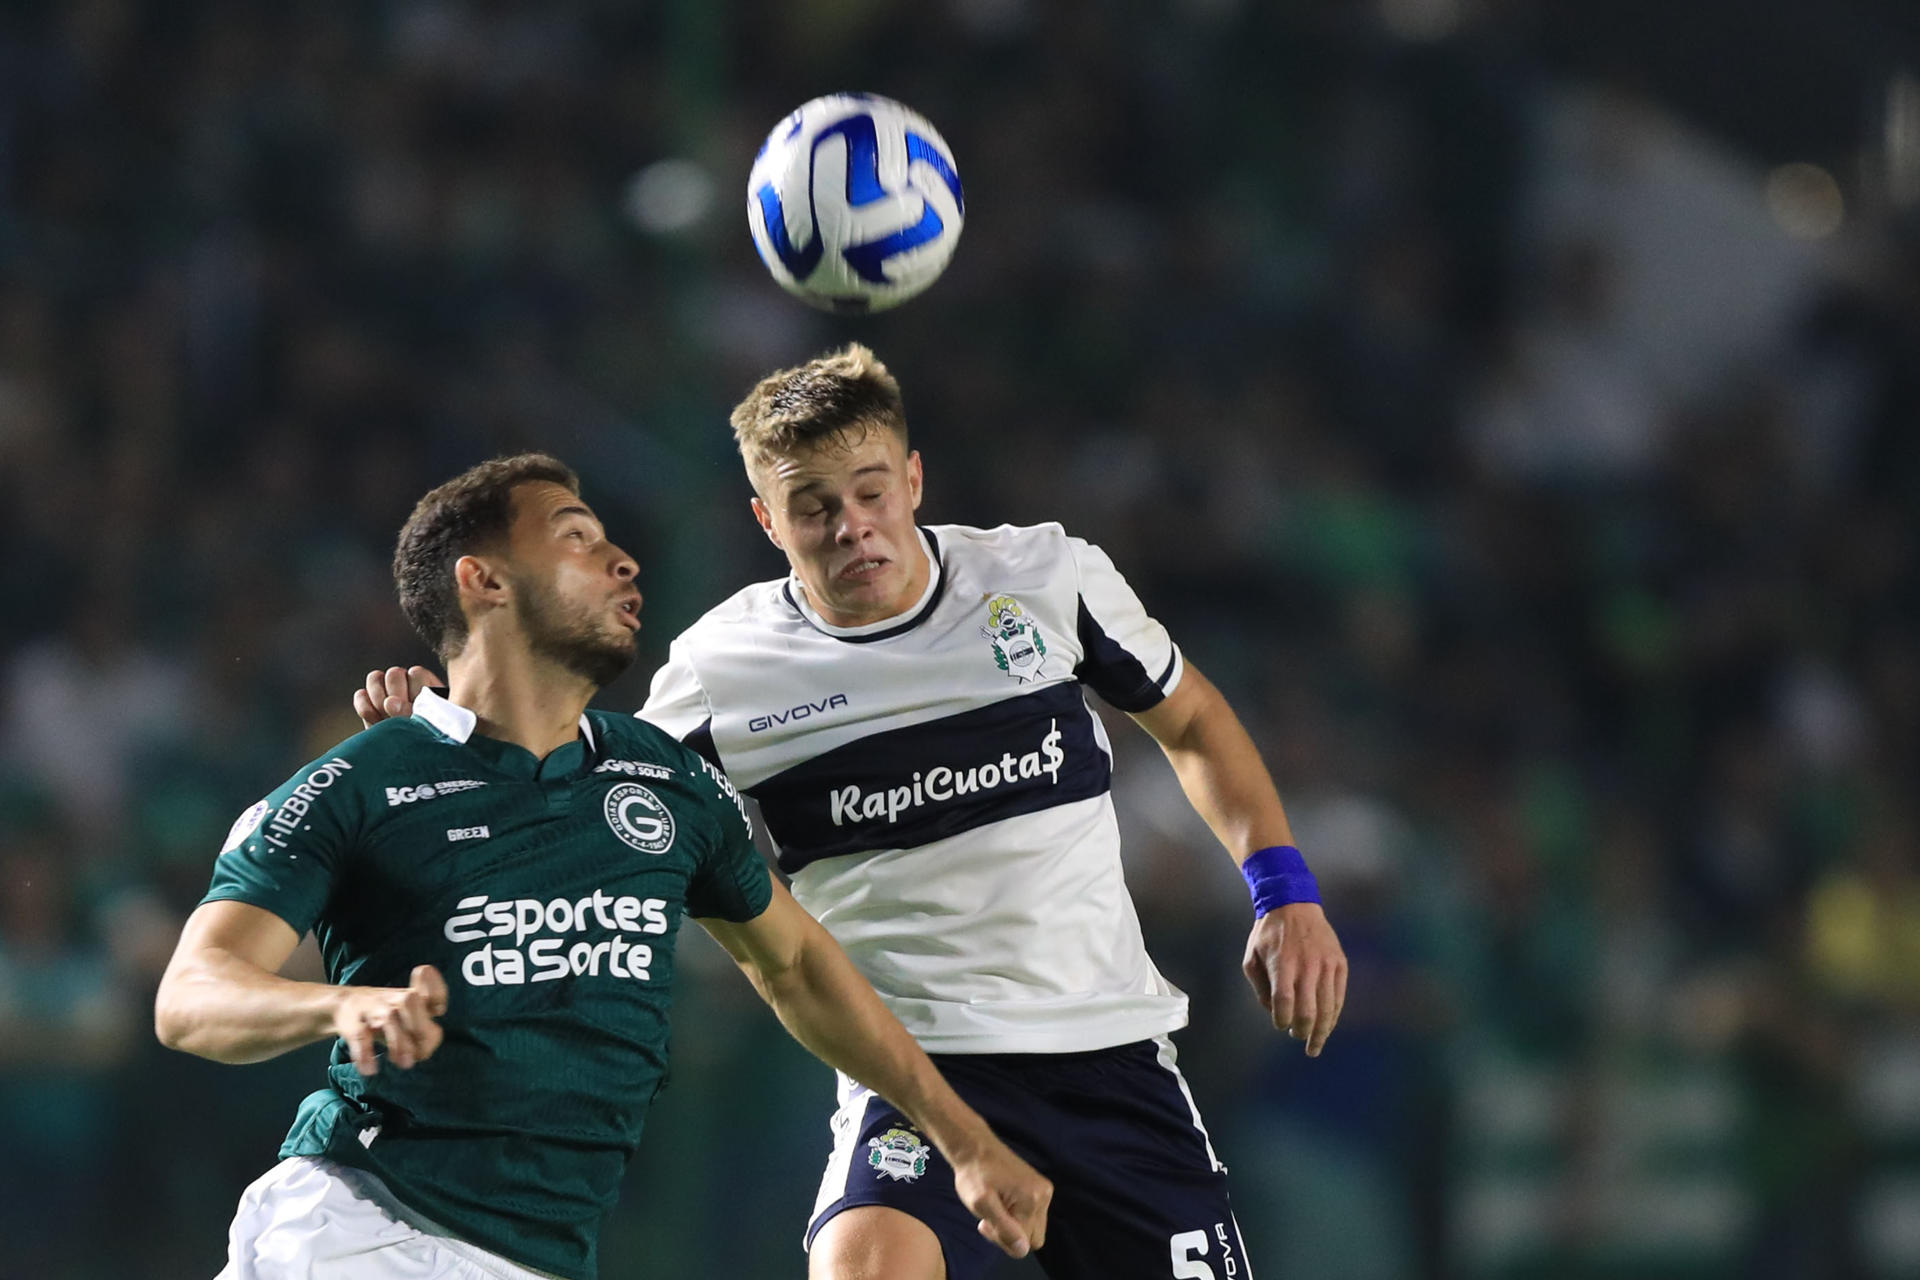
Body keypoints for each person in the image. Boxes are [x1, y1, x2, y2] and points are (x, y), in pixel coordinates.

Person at [359, 346, 1349, 1280]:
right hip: (914, 1070)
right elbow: (584, 800)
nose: (852, 525)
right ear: (767, 520)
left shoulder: (1045, 579)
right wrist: (449, 739)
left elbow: (1195, 722)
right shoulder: (724, 672)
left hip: (1110, 1059)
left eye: (872, 491)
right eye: (814, 505)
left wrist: (1284, 890)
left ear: (913, 479)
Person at [157, 453, 1052, 1280]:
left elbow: (801, 965)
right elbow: (191, 996)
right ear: (485, 581)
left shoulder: (662, 778)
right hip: (366, 1229)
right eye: (577, 538)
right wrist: (339, 1004)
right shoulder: (362, 781)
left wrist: (962, 1137)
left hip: (546, 1256)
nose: (623, 560)